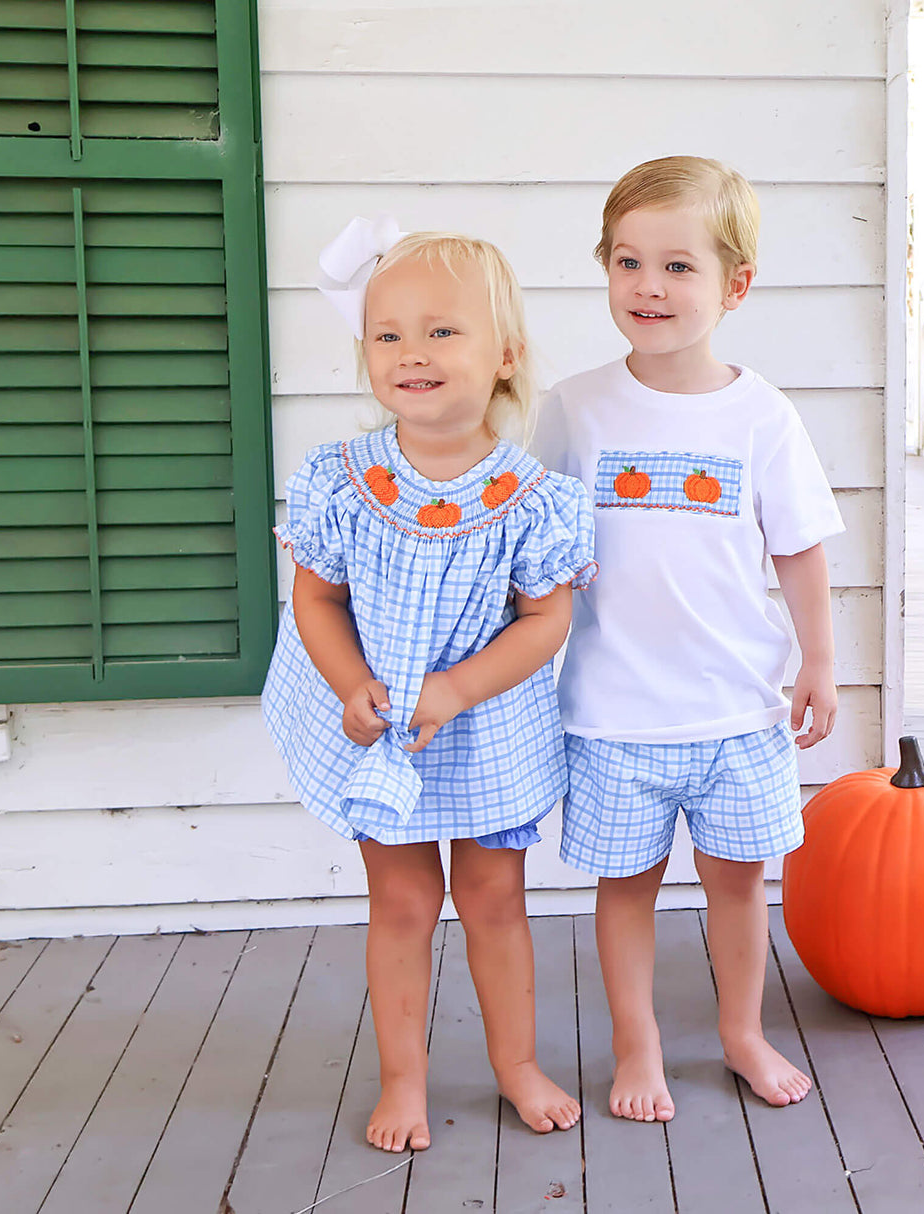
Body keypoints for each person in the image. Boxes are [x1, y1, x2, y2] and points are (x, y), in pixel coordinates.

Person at [262, 217, 594, 1152]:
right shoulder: (344, 480)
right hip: (377, 724)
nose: (413, 352)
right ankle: (403, 1079)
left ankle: (517, 1065)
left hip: (484, 727)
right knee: (403, 903)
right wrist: (350, 682)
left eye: (444, 331)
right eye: (389, 333)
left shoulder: (532, 498)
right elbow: (316, 599)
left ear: (504, 355)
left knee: (493, 900)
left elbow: (546, 621)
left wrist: (456, 687)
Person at [533, 157, 844, 1123]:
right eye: (628, 263)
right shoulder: (576, 407)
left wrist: (820, 665)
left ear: (734, 286)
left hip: (735, 710)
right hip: (615, 713)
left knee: (738, 887)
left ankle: (743, 1033)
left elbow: (796, 548)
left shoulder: (760, 416)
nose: (649, 288)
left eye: (677, 267)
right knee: (624, 889)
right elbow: (534, 539)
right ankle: (638, 1046)